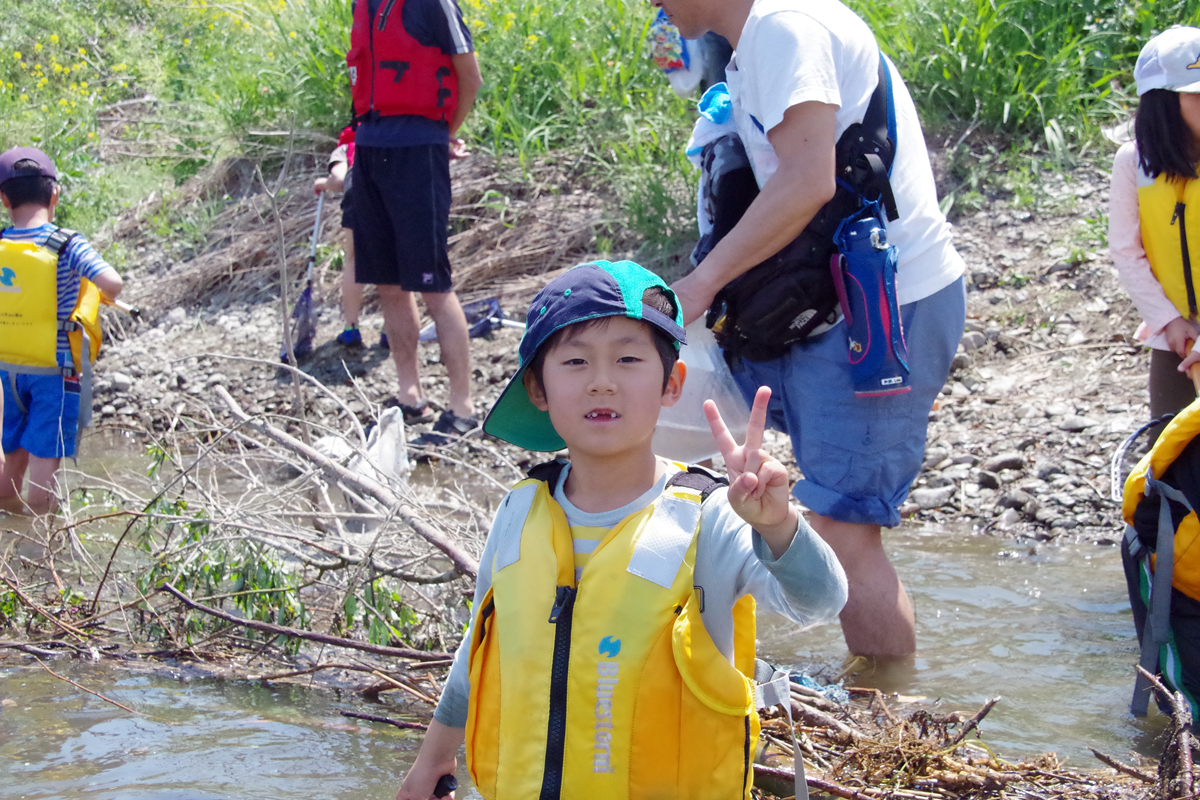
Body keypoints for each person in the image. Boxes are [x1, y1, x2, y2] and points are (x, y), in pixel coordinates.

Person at [395, 260, 847, 800]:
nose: (602, 382)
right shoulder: (518, 513)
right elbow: (479, 649)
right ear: (538, 389)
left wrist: (778, 527)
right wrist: (433, 760)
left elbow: (822, 602)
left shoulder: (711, 515)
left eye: (629, 359)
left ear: (670, 384)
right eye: (576, 361)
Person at [657, 0, 967, 659]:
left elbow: (806, 181)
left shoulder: (783, 27)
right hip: (832, 304)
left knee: (844, 531)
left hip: (881, 310)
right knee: (757, 490)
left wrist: (702, 283)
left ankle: (888, 727)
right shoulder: (761, 37)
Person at [346, 0, 482, 442]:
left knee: (433, 285)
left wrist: (444, 133)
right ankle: (409, 394)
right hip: (369, 147)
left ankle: (462, 404)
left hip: (418, 148)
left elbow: (470, 76)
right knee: (387, 282)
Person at [0, 146, 124, 515]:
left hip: (5, 371)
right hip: (54, 375)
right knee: (42, 480)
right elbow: (112, 284)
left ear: (3, 199)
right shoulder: (67, 243)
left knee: (9, 472)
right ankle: (41, 548)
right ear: (54, 194)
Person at [1112, 26, 1200, 440]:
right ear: (1163, 103)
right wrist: (1168, 321)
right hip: (1176, 338)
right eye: (1196, 94)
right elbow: (1127, 252)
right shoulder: (1133, 163)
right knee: (1171, 447)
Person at [314, 126, 390, 351]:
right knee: (392, 261)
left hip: (358, 197)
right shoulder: (387, 140)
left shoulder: (346, 148)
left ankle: (351, 328)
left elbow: (338, 180)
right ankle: (390, 329)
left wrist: (322, 183)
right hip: (391, 197)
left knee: (354, 260)